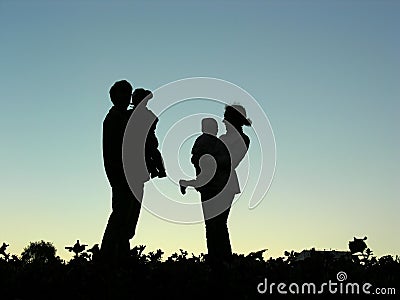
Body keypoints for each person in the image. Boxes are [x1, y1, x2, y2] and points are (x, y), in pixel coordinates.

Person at [129, 88, 166, 178]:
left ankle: (160, 170)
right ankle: (153, 170)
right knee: (146, 154)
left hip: (148, 138)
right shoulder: (132, 113)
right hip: (139, 141)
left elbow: (155, 120)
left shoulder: (146, 113)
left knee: (153, 152)